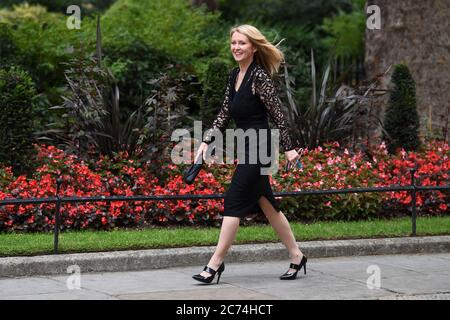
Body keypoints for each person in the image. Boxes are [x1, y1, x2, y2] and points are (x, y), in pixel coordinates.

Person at [192, 24, 307, 284]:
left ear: (253, 47)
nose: (236, 47)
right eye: (233, 43)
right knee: (268, 204)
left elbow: (278, 114)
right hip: (246, 146)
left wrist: (289, 149)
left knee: (233, 200)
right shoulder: (234, 76)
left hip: (261, 148)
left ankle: (214, 265)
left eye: (242, 43)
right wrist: (205, 141)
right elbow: (224, 113)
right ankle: (297, 256)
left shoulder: (260, 77)